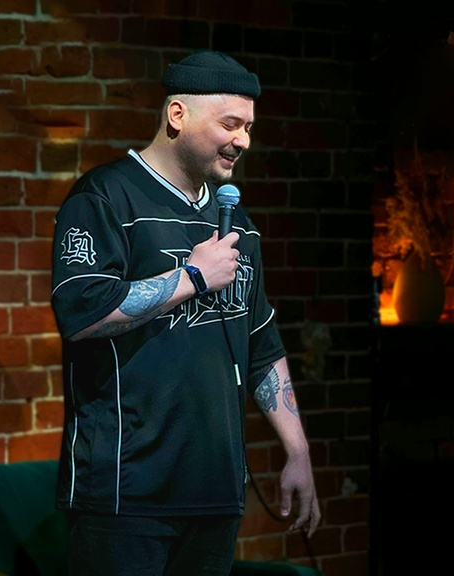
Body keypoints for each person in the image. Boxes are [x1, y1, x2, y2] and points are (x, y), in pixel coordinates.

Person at [50, 51, 321, 576]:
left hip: (215, 494)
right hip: (126, 495)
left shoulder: (235, 220)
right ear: (178, 115)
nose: (243, 139)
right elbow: (82, 313)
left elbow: (262, 343)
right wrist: (192, 277)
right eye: (230, 124)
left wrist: (298, 449)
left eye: (248, 128)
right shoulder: (106, 197)